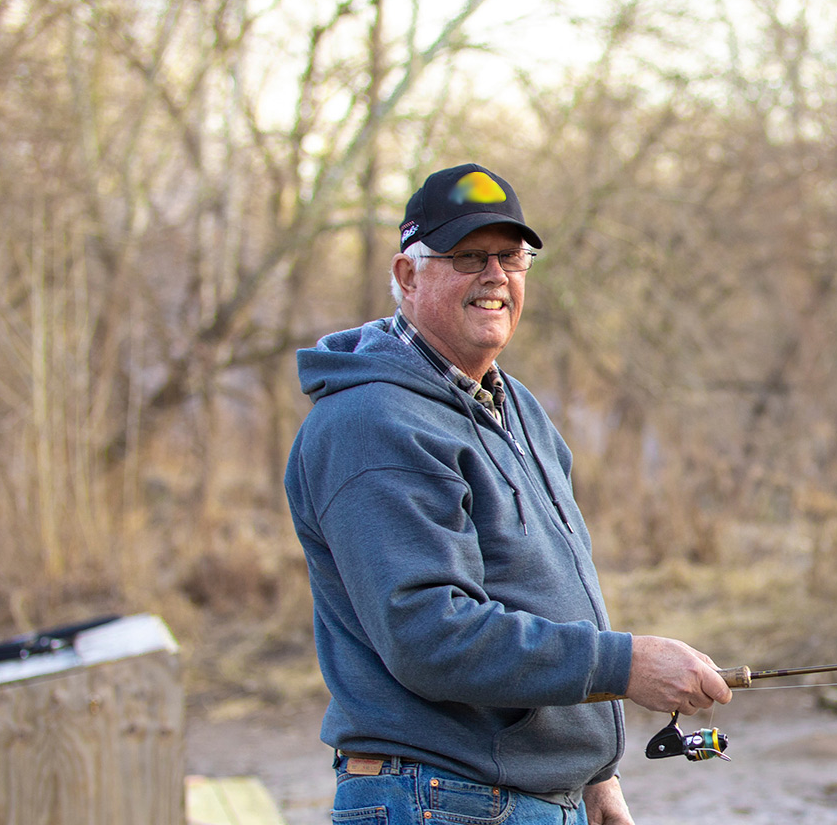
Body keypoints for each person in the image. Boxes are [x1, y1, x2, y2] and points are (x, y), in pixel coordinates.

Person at [283, 163, 732, 824]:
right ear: (408, 277)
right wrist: (625, 663)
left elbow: (534, 590)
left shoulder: (513, 405)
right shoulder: (374, 423)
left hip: (528, 798)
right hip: (440, 801)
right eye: (467, 257)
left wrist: (592, 777)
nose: (494, 276)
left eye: (510, 258)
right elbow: (430, 635)